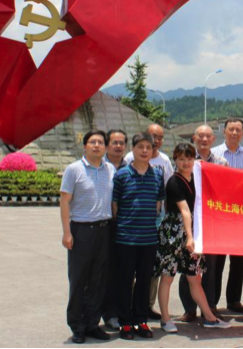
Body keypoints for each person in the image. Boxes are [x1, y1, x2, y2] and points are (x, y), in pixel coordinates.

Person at [155, 143, 231, 332]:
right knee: (168, 277)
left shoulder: (196, 177)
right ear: (175, 160)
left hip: (192, 232)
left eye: (189, 158)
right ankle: (165, 319)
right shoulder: (173, 181)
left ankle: (209, 317)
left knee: (194, 277)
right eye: (181, 159)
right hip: (174, 233)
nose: (186, 162)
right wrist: (190, 237)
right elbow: (185, 211)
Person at [60, 130, 114, 344]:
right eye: (92, 142)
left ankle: (92, 323)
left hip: (104, 229)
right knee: (79, 280)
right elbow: (64, 202)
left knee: (98, 280)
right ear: (84, 146)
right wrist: (67, 232)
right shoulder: (74, 170)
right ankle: (77, 325)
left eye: (101, 142)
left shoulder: (110, 169)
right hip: (81, 230)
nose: (97, 145)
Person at [112, 132, 166, 340]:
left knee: (145, 280)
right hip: (126, 238)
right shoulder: (122, 175)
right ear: (132, 150)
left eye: (148, 147)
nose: (145, 151)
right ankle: (125, 322)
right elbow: (115, 205)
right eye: (140, 147)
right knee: (125, 280)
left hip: (149, 238)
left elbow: (158, 205)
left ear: (153, 151)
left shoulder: (158, 175)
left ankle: (141, 320)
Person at [179, 125, 229, 323]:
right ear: (194, 137)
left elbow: (225, 189)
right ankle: (189, 309)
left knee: (212, 267)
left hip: (213, 221)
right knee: (189, 266)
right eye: (201, 136)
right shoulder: (186, 159)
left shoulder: (221, 162)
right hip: (190, 219)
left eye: (208, 136)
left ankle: (211, 306)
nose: (204, 139)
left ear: (214, 139)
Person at [122, 123, 172, 319]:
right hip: (130, 226)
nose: (155, 141)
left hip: (155, 224)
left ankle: (146, 306)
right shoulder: (128, 161)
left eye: (159, 138)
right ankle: (127, 309)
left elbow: (166, 192)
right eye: (152, 137)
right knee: (129, 271)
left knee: (151, 270)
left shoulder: (164, 161)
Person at [211, 118, 243, 314]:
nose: (234, 133)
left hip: (240, 216)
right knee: (216, 262)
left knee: (238, 260)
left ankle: (234, 300)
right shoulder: (215, 154)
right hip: (219, 215)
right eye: (231, 129)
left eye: (238, 130)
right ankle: (211, 301)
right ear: (224, 131)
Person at [101, 129, 127, 329]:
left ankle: (120, 310)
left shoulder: (131, 168)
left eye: (121, 142)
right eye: (114, 142)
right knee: (103, 272)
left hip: (126, 226)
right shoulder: (99, 167)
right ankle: (106, 312)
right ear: (107, 145)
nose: (118, 145)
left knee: (122, 271)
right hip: (104, 225)